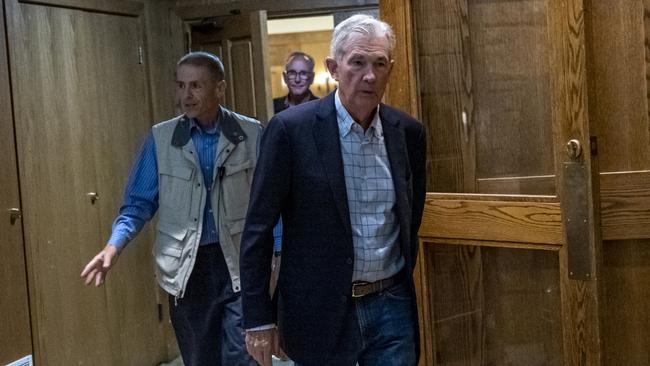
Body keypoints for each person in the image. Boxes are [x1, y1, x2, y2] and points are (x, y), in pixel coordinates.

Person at [240, 14, 427, 366]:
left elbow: (410, 217)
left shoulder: (408, 133)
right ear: (334, 67)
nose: (369, 75)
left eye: (379, 63)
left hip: (391, 305)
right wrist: (258, 318)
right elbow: (257, 230)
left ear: (391, 69)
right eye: (357, 62)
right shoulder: (291, 131)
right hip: (318, 308)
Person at [80, 51, 261, 366]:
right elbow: (138, 203)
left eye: (196, 86)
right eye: (180, 86)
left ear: (220, 88)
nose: (185, 95)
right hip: (186, 268)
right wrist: (114, 246)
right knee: (199, 358)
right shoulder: (160, 139)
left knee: (244, 357)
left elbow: (268, 203)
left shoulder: (252, 133)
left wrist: (276, 257)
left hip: (238, 262)